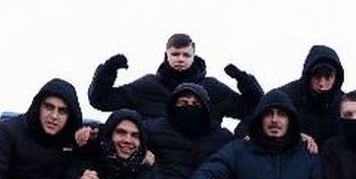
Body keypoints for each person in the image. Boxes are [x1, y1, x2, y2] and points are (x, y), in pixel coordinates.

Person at [189, 90, 324, 179]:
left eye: (282, 115)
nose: (274, 120)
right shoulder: (239, 150)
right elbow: (206, 172)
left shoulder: (308, 155)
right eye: (268, 114)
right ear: (259, 118)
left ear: (290, 120)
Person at [88, 32, 261, 125]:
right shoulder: (148, 85)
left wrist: (245, 81)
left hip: (202, 171)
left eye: (186, 54)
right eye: (175, 54)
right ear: (166, 55)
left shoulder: (212, 89)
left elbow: (256, 109)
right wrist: (108, 70)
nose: (180, 59)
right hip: (155, 170)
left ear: (194, 56)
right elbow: (101, 100)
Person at [144, 83, 235, 179]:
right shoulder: (152, 129)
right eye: (184, 103)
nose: (190, 107)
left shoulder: (223, 138)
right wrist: (141, 153)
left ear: (206, 108)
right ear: (173, 104)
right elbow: (120, 136)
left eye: (196, 104)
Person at [74, 109, 181, 179]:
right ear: (110, 134)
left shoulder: (148, 169)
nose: (128, 140)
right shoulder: (90, 160)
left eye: (135, 135)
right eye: (121, 132)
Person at [271, 44, 345, 150]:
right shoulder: (285, 96)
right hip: (290, 158)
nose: (322, 83)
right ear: (308, 75)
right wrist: (294, 136)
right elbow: (255, 124)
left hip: (331, 162)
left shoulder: (345, 105)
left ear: (336, 78)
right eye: (317, 76)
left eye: (328, 77)